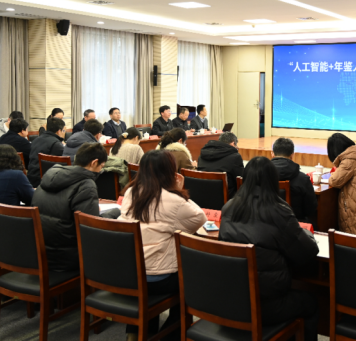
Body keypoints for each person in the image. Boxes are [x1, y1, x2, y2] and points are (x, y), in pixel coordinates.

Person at [219, 156, 319, 341]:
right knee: (311, 302)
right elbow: (307, 253)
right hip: (265, 306)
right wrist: (307, 234)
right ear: (273, 181)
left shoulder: (229, 207)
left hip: (230, 300)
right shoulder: (278, 211)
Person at [118, 150, 206, 339]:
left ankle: (136, 333)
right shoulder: (173, 200)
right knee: (193, 281)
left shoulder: (131, 193)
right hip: (159, 279)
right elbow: (199, 218)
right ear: (169, 172)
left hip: (131, 274)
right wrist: (179, 191)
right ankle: (169, 335)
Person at [32, 143, 120, 272]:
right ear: (94, 163)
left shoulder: (49, 176)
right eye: (101, 167)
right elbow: (91, 228)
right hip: (68, 258)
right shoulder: (86, 185)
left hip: (39, 254)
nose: (100, 171)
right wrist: (115, 212)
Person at [270, 138, 318, 223]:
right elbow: (310, 210)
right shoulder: (303, 179)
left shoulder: (260, 176)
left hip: (266, 224)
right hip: (295, 225)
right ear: (292, 155)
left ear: (272, 154)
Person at [197, 132, 244, 197]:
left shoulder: (202, 156)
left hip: (202, 196)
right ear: (233, 144)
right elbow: (241, 181)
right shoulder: (235, 157)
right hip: (226, 199)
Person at [27, 117, 66, 187]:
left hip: (31, 178)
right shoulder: (56, 144)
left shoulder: (35, 140)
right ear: (59, 131)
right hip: (46, 182)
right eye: (63, 130)